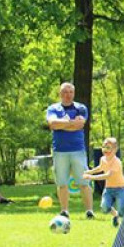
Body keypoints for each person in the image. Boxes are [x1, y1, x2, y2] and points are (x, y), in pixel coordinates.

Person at [46, 82, 94, 219]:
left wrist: (63, 124)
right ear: (60, 94)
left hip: (78, 150)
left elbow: (80, 125)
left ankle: (89, 211)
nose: (68, 95)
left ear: (74, 93)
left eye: (70, 92)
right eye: (65, 92)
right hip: (59, 151)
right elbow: (53, 124)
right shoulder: (53, 108)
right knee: (62, 183)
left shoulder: (81, 108)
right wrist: (71, 123)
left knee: (84, 181)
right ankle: (64, 211)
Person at [83, 138, 124, 227]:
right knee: (104, 207)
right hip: (109, 188)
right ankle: (115, 215)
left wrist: (91, 177)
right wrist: (89, 171)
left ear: (115, 150)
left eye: (108, 147)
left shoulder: (116, 162)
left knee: (121, 209)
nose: (105, 150)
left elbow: (107, 175)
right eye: (103, 147)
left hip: (120, 188)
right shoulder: (103, 159)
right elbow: (100, 168)